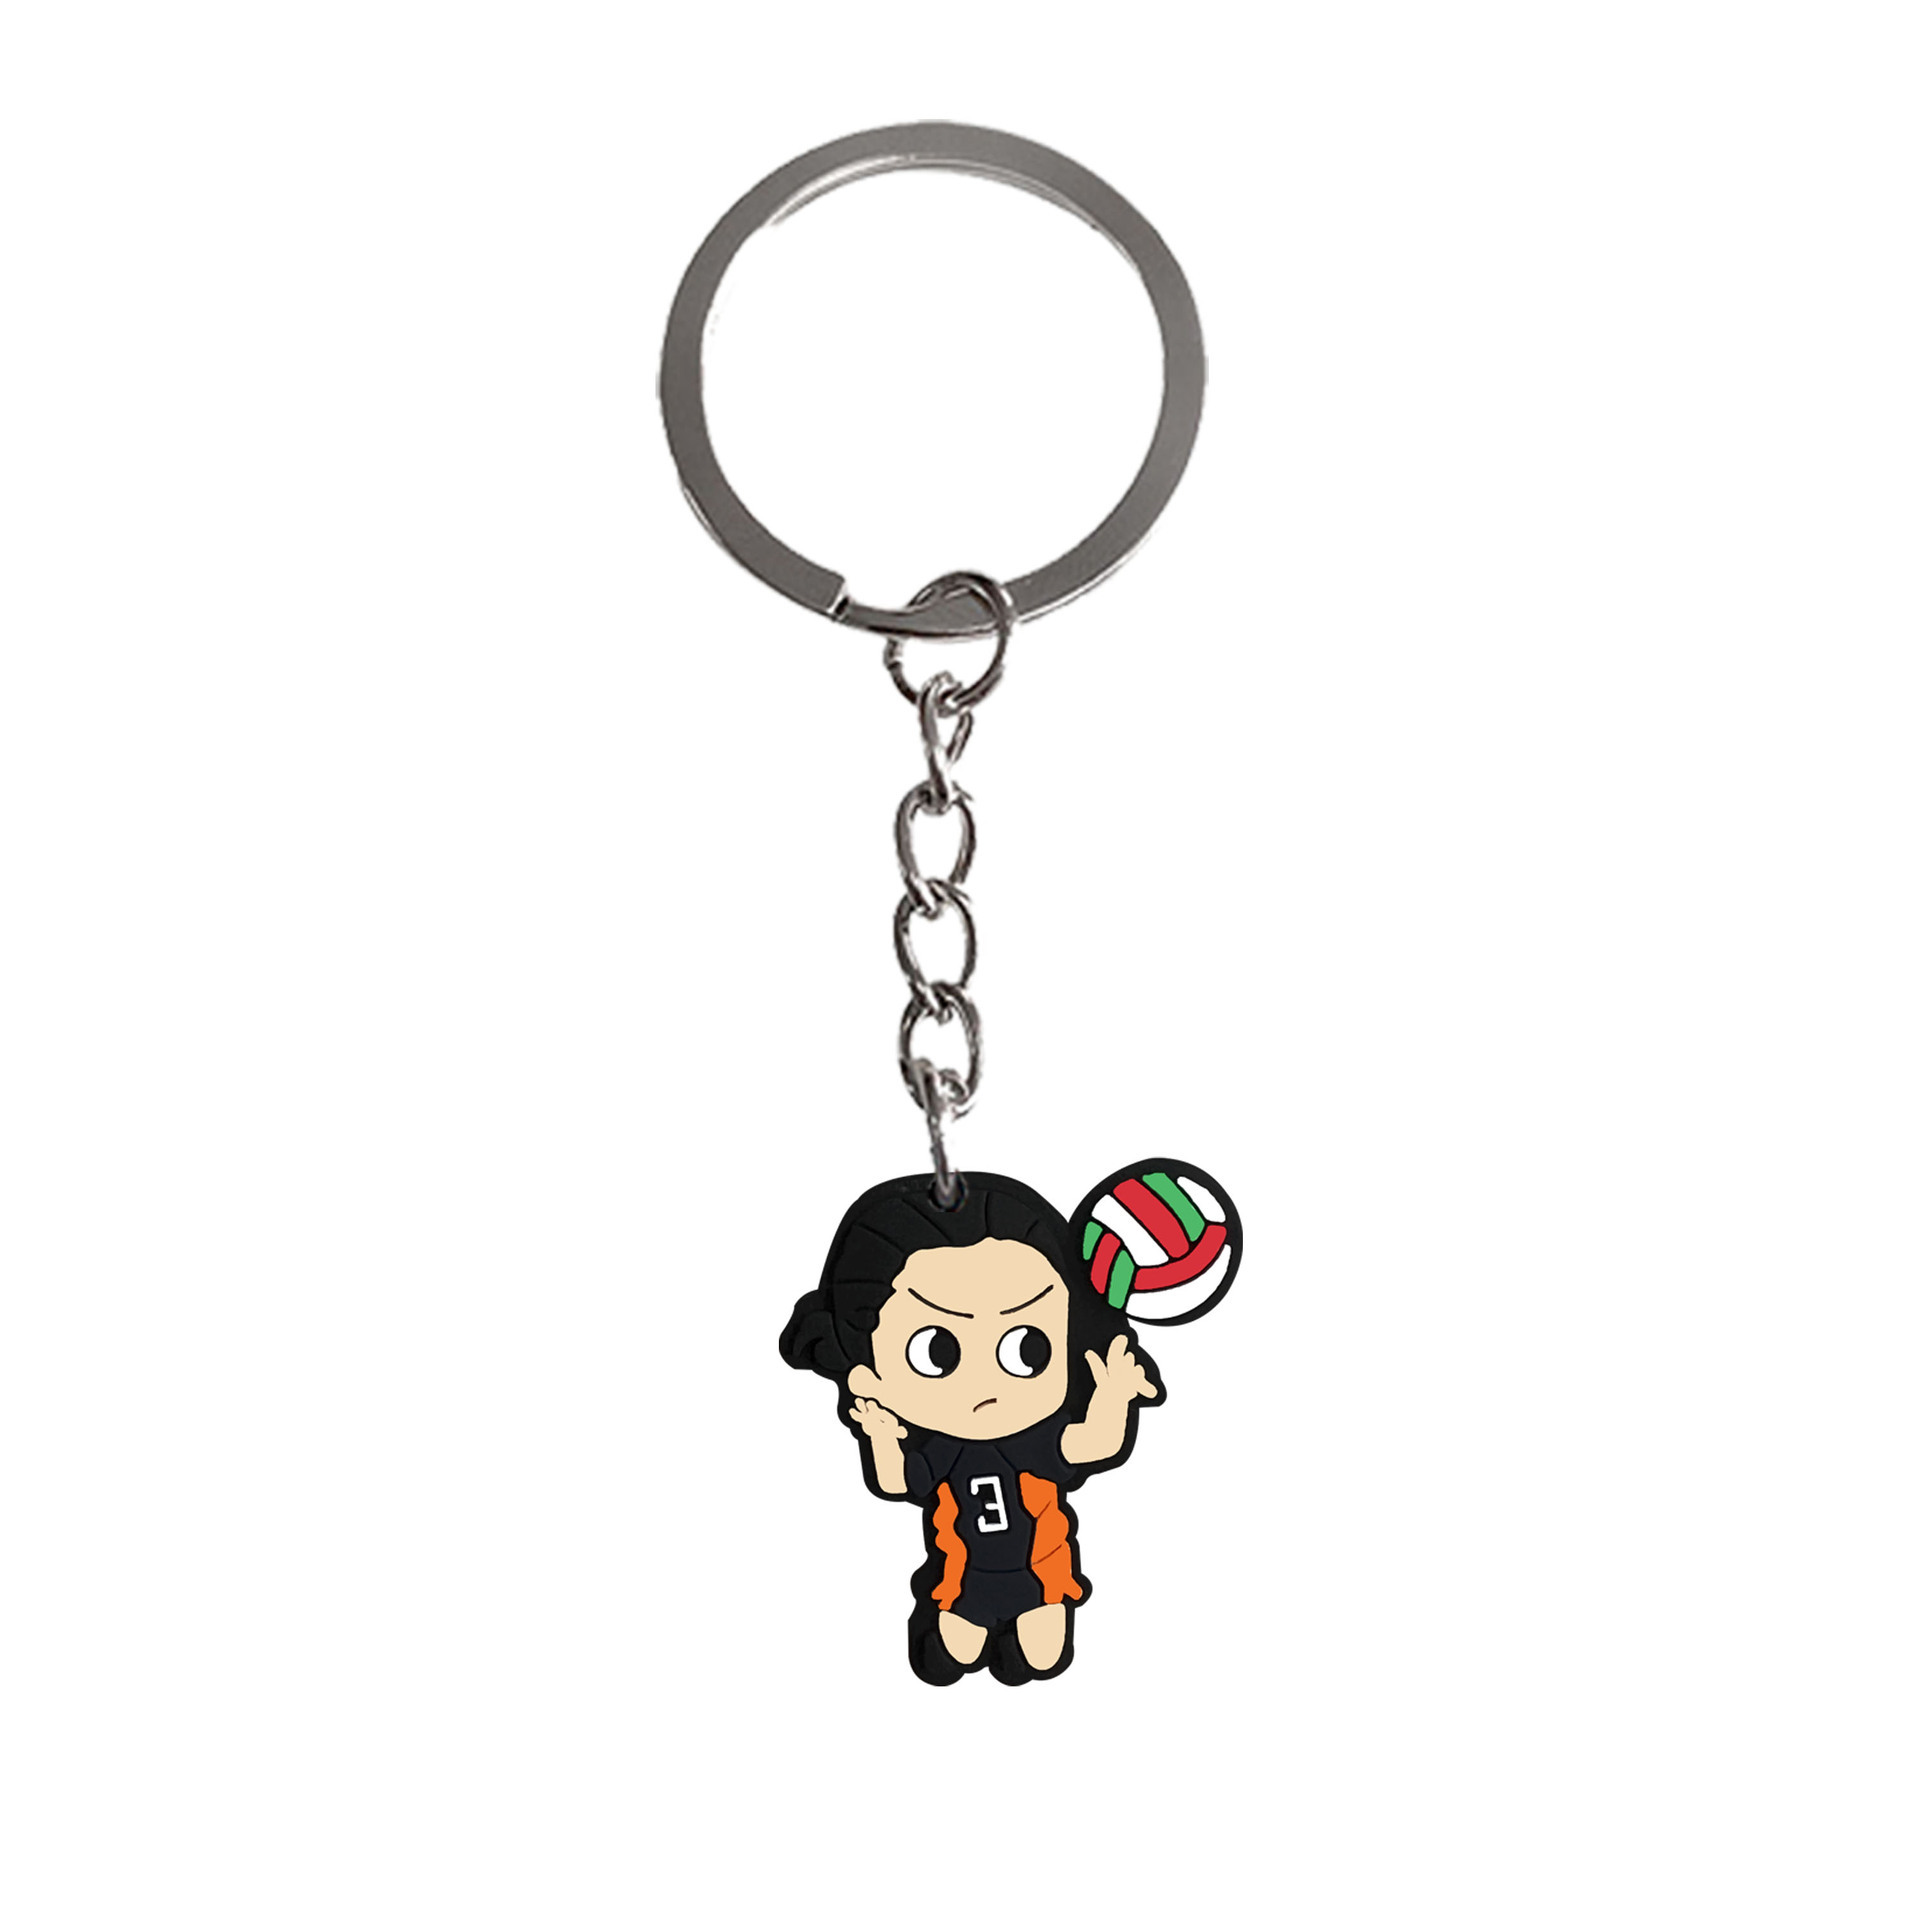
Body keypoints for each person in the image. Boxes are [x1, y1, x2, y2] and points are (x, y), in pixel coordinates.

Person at [780, 1171, 1162, 1686]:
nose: (987, 1385)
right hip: (961, 1582)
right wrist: (881, 1433)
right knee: (958, 1646)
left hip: (1043, 1576)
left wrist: (1113, 1395)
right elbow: (896, 1480)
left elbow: (1095, 1443)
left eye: (1028, 1347)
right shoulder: (944, 1450)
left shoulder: (1035, 1439)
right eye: (936, 1353)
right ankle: (957, 1645)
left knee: (1044, 1654)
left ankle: (1008, 1650)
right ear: (870, 1373)